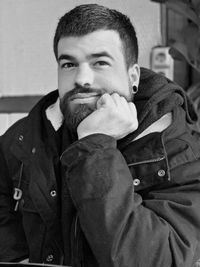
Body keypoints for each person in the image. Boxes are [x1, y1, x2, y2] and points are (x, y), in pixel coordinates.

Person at [0, 3, 200, 267]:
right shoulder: (24, 139)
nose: (82, 78)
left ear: (133, 76)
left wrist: (95, 147)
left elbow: (154, 259)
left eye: (100, 62)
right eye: (69, 64)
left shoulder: (180, 151)